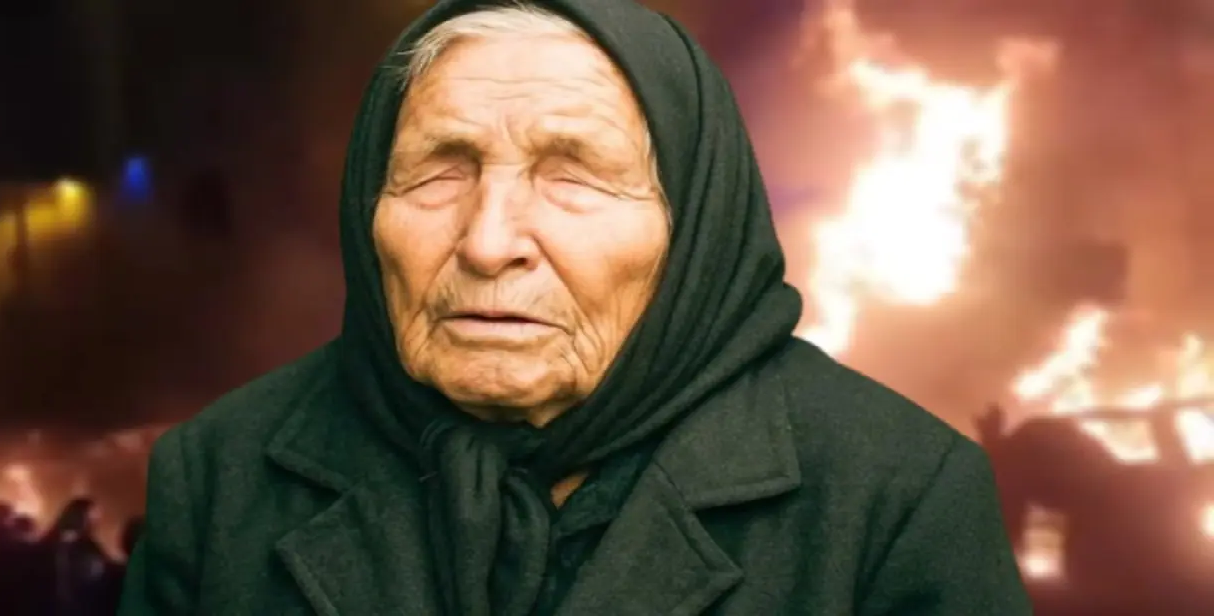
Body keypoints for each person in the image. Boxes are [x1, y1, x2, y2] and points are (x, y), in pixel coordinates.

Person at [118, 1, 1030, 614]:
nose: (488, 242)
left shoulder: (897, 497)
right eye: (441, 170)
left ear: (692, 229)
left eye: (575, 176)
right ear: (369, 206)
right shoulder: (219, 477)